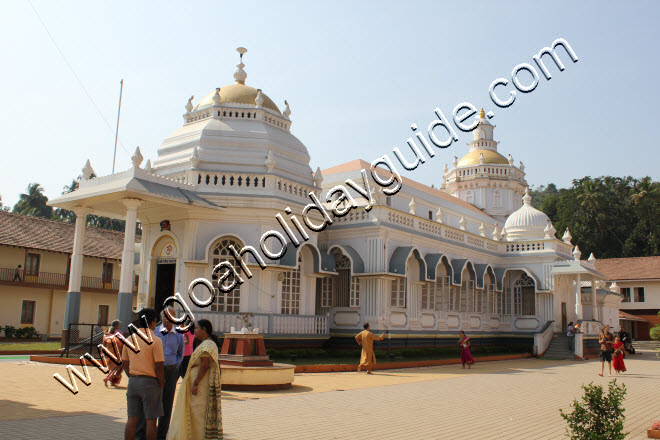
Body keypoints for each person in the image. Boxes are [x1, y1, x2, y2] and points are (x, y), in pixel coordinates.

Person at [167, 319, 223, 440]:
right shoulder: (205, 343)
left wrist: (196, 383)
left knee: (198, 414)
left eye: (197, 328)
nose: (195, 331)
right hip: (197, 382)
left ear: (204, 330)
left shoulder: (208, 344)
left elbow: (204, 365)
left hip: (200, 385)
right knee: (193, 412)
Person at [122, 308, 165, 440]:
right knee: (151, 420)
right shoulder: (156, 341)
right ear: (152, 322)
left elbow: (124, 362)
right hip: (150, 383)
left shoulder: (130, 338)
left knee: (132, 419)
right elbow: (159, 366)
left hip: (134, 381)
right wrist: (161, 383)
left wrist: (132, 376)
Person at [153, 308, 184, 440]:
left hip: (171, 371)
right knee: (154, 402)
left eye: (171, 316)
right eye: (166, 316)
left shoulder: (178, 334)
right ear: (162, 317)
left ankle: (162, 435)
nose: (168, 319)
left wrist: (175, 367)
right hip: (156, 371)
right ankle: (151, 432)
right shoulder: (155, 333)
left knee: (167, 403)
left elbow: (180, 354)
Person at [103, 320, 124, 387]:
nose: (120, 325)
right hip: (116, 352)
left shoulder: (107, 332)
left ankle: (112, 382)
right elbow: (122, 341)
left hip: (109, 352)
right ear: (117, 325)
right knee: (118, 367)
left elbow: (104, 343)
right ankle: (108, 379)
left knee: (113, 368)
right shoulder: (118, 332)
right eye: (119, 324)